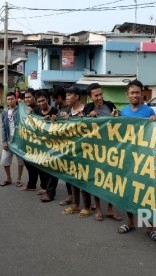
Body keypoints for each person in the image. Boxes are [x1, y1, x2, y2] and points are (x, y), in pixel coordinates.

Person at [118, 79, 156, 241]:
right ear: (127, 95)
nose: (135, 95)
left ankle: (150, 227)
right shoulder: (123, 112)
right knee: (128, 191)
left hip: (145, 159)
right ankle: (130, 223)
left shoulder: (149, 111)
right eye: (132, 93)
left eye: (137, 92)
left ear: (142, 94)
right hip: (128, 158)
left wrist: (155, 122)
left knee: (145, 193)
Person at [82, 83, 121, 222]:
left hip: (111, 149)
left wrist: (117, 115)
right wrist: (88, 116)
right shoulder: (87, 108)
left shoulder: (110, 105)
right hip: (95, 151)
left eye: (101, 94)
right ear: (90, 97)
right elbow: (80, 124)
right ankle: (98, 209)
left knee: (111, 179)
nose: (99, 97)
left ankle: (110, 209)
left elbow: (122, 122)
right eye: (96, 95)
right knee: (97, 180)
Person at [60, 86, 93, 218]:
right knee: (73, 179)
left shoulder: (87, 109)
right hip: (71, 150)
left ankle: (87, 207)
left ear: (77, 97)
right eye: (66, 95)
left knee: (83, 179)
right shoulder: (68, 111)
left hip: (85, 150)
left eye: (69, 95)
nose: (67, 97)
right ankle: (75, 205)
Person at [33, 90, 59, 203]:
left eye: (43, 100)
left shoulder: (55, 111)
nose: (41, 103)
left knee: (53, 169)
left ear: (47, 99)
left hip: (54, 145)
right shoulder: (36, 111)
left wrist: (56, 120)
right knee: (44, 169)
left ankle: (50, 193)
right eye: (38, 101)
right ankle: (47, 189)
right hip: (41, 146)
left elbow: (62, 124)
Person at [51, 86, 74, 206]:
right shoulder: (58, 108)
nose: (54, 102)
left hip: (73, 143)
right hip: (63, 143)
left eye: (55, 99)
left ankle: (74, 196)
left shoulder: (71, 107)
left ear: (60, 97)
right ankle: (71, 195)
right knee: (66, 170)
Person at [0, 92, 25, 187]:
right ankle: (8, 178)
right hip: (8, 140)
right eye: (8, 99)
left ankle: (19, 179)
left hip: (19, 140)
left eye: (12, 99)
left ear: (15, 99)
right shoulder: (4, 112)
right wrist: (4, 141)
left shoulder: (20, 110)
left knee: (20, 161)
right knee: (5, 160)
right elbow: (3, 127)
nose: (10, 101)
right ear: (6, 101)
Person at [20, 88, 41, 191]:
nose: (27, 99)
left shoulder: (38, 109)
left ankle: (44, 187)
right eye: (25, 97)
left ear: (34, 97)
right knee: (28, 163)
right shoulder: (24, 109)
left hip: (38, 142)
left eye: (29, 97)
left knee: (39, 165)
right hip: (28, 141)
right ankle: (31, 184)